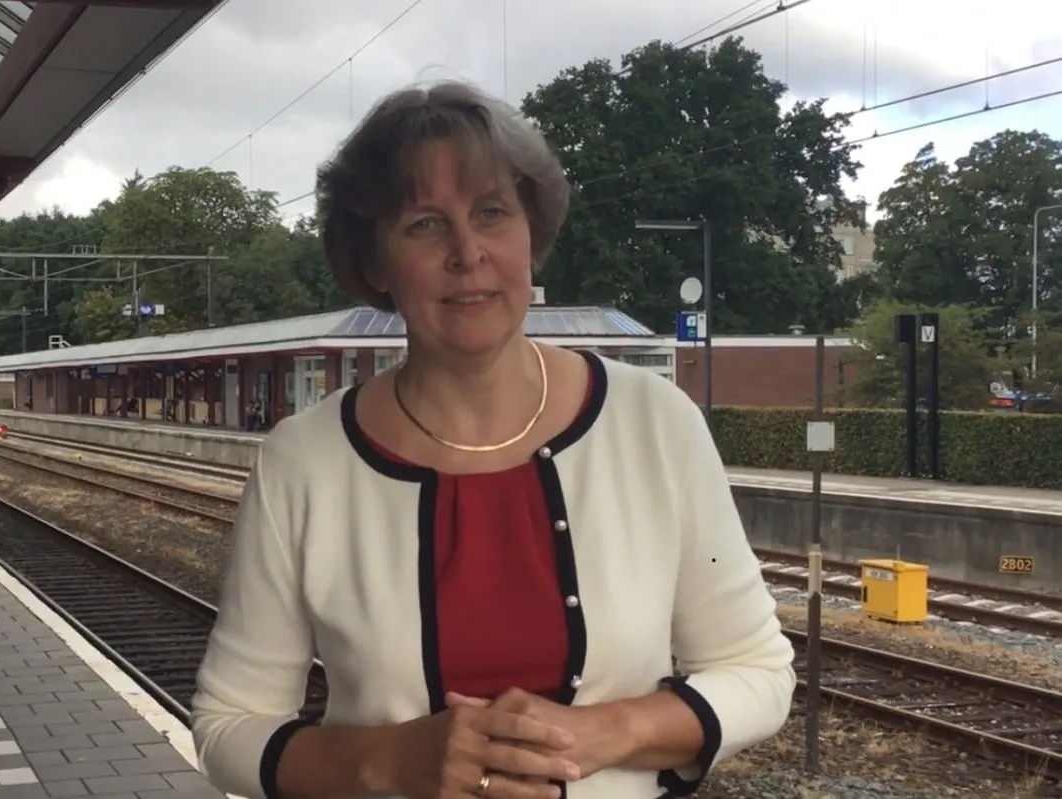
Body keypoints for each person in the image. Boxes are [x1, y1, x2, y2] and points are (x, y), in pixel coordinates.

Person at [189, 79, 795, 799]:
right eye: (424, 224)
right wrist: (389, 762)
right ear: (375, 261)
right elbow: (227, 727)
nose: (467, 251)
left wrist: (607, 731)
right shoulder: (302, 462)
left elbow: (757, 671)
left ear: (530, 233)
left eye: (491, 213)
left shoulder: (656, 423)